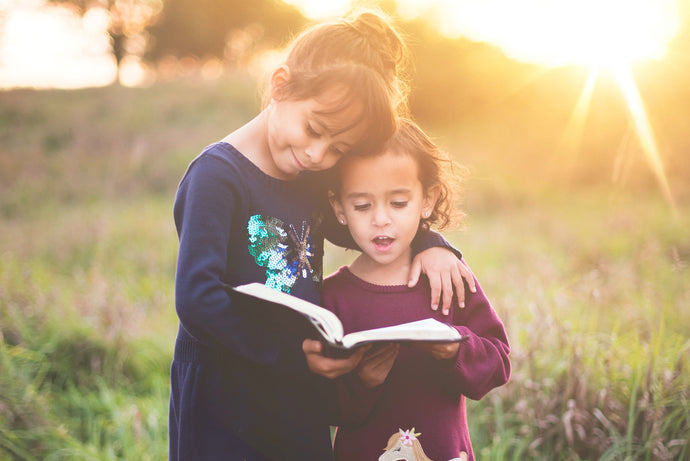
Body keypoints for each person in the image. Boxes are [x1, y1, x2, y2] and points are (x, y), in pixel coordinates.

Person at [170, 11, 475, 461]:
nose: (318, 154)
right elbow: (197, 299)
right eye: (314, 129)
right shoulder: (218, 176)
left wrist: (434, 245)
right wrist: (295, 356)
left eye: (338, 149)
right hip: (226, 388)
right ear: (280, 85)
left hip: (298, 386)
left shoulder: (311, 177)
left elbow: (369, 228)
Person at [324, 118, 511, 461]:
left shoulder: (448, 277)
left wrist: (455, 348)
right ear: (339, 208)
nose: (381, 219)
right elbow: (323, 407)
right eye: (362, 206)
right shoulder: (332, 298)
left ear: (428, 199)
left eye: (398, 203)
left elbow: (498, 363)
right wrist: (362, 381)